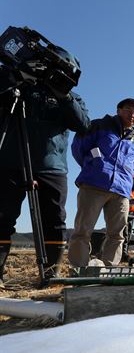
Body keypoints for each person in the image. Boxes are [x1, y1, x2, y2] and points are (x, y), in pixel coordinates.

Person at [0, 51, 91, 285]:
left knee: (54, 222)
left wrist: (64, 95)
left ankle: (50, 274)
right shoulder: (18, 85)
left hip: (52, 167)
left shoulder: (71, 96)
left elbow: (83, 124)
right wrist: (15, 77)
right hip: (11, 161)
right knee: (2, 218)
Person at [68, 98, 134, 267]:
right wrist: (95, 166)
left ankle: (109, 269)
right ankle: (79, 269)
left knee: (117, 234)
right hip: (94, 185)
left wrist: (125, 177)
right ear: (118, 110)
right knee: (83, 230)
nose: (132, 115)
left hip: (121, 191)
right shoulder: (99, 125)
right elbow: (78, 148)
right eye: (129, 110)